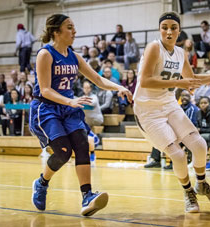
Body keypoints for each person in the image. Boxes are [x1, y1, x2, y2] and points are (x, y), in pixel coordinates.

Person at [29, 14, 132, 216]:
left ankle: (87, 196)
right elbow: (45, 89)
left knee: (83, 144)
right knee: (63, 152)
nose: (74, 31)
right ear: (56, 32)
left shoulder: (74, 56)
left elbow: (97, 79)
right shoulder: (45, 54)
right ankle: (41, 183)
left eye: (74, 27)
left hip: (68, 108)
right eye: (69, 27)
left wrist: (119, 87)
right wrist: (70, 101)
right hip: (47, 108)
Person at [133, 11, 210, 213]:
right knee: (178, 155)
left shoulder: (181, 53)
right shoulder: (153, 48)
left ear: (179, 31)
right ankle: (188, 192)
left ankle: (202, 184)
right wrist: (178, 82)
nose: (168, 31)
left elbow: (192, 81)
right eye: (164, 27)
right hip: (147, 110)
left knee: (200, 145)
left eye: (173, 28)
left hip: (168, 104)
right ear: (160, 30)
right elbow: (145, 81)